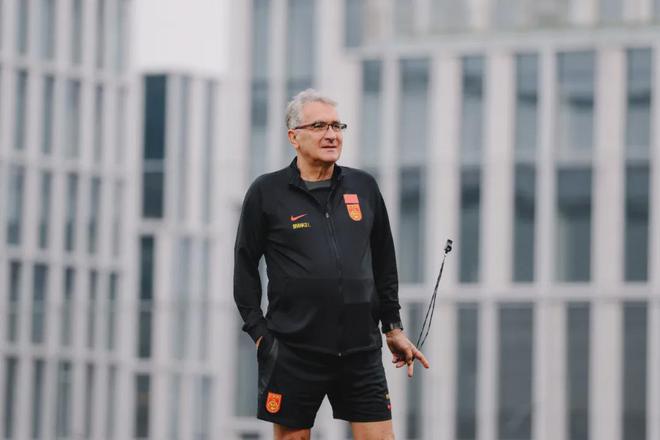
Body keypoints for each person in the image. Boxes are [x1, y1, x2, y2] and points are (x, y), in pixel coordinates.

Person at [234, 89, 429, 440]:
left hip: (361, 351)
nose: (332, 135)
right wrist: (260, 334)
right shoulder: (267, 192)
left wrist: (393, 328)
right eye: (319, 126)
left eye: (337, 126)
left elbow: (384, 260)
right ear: (294, 137)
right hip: (293, 351)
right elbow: (245, 264)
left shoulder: (363, 186)